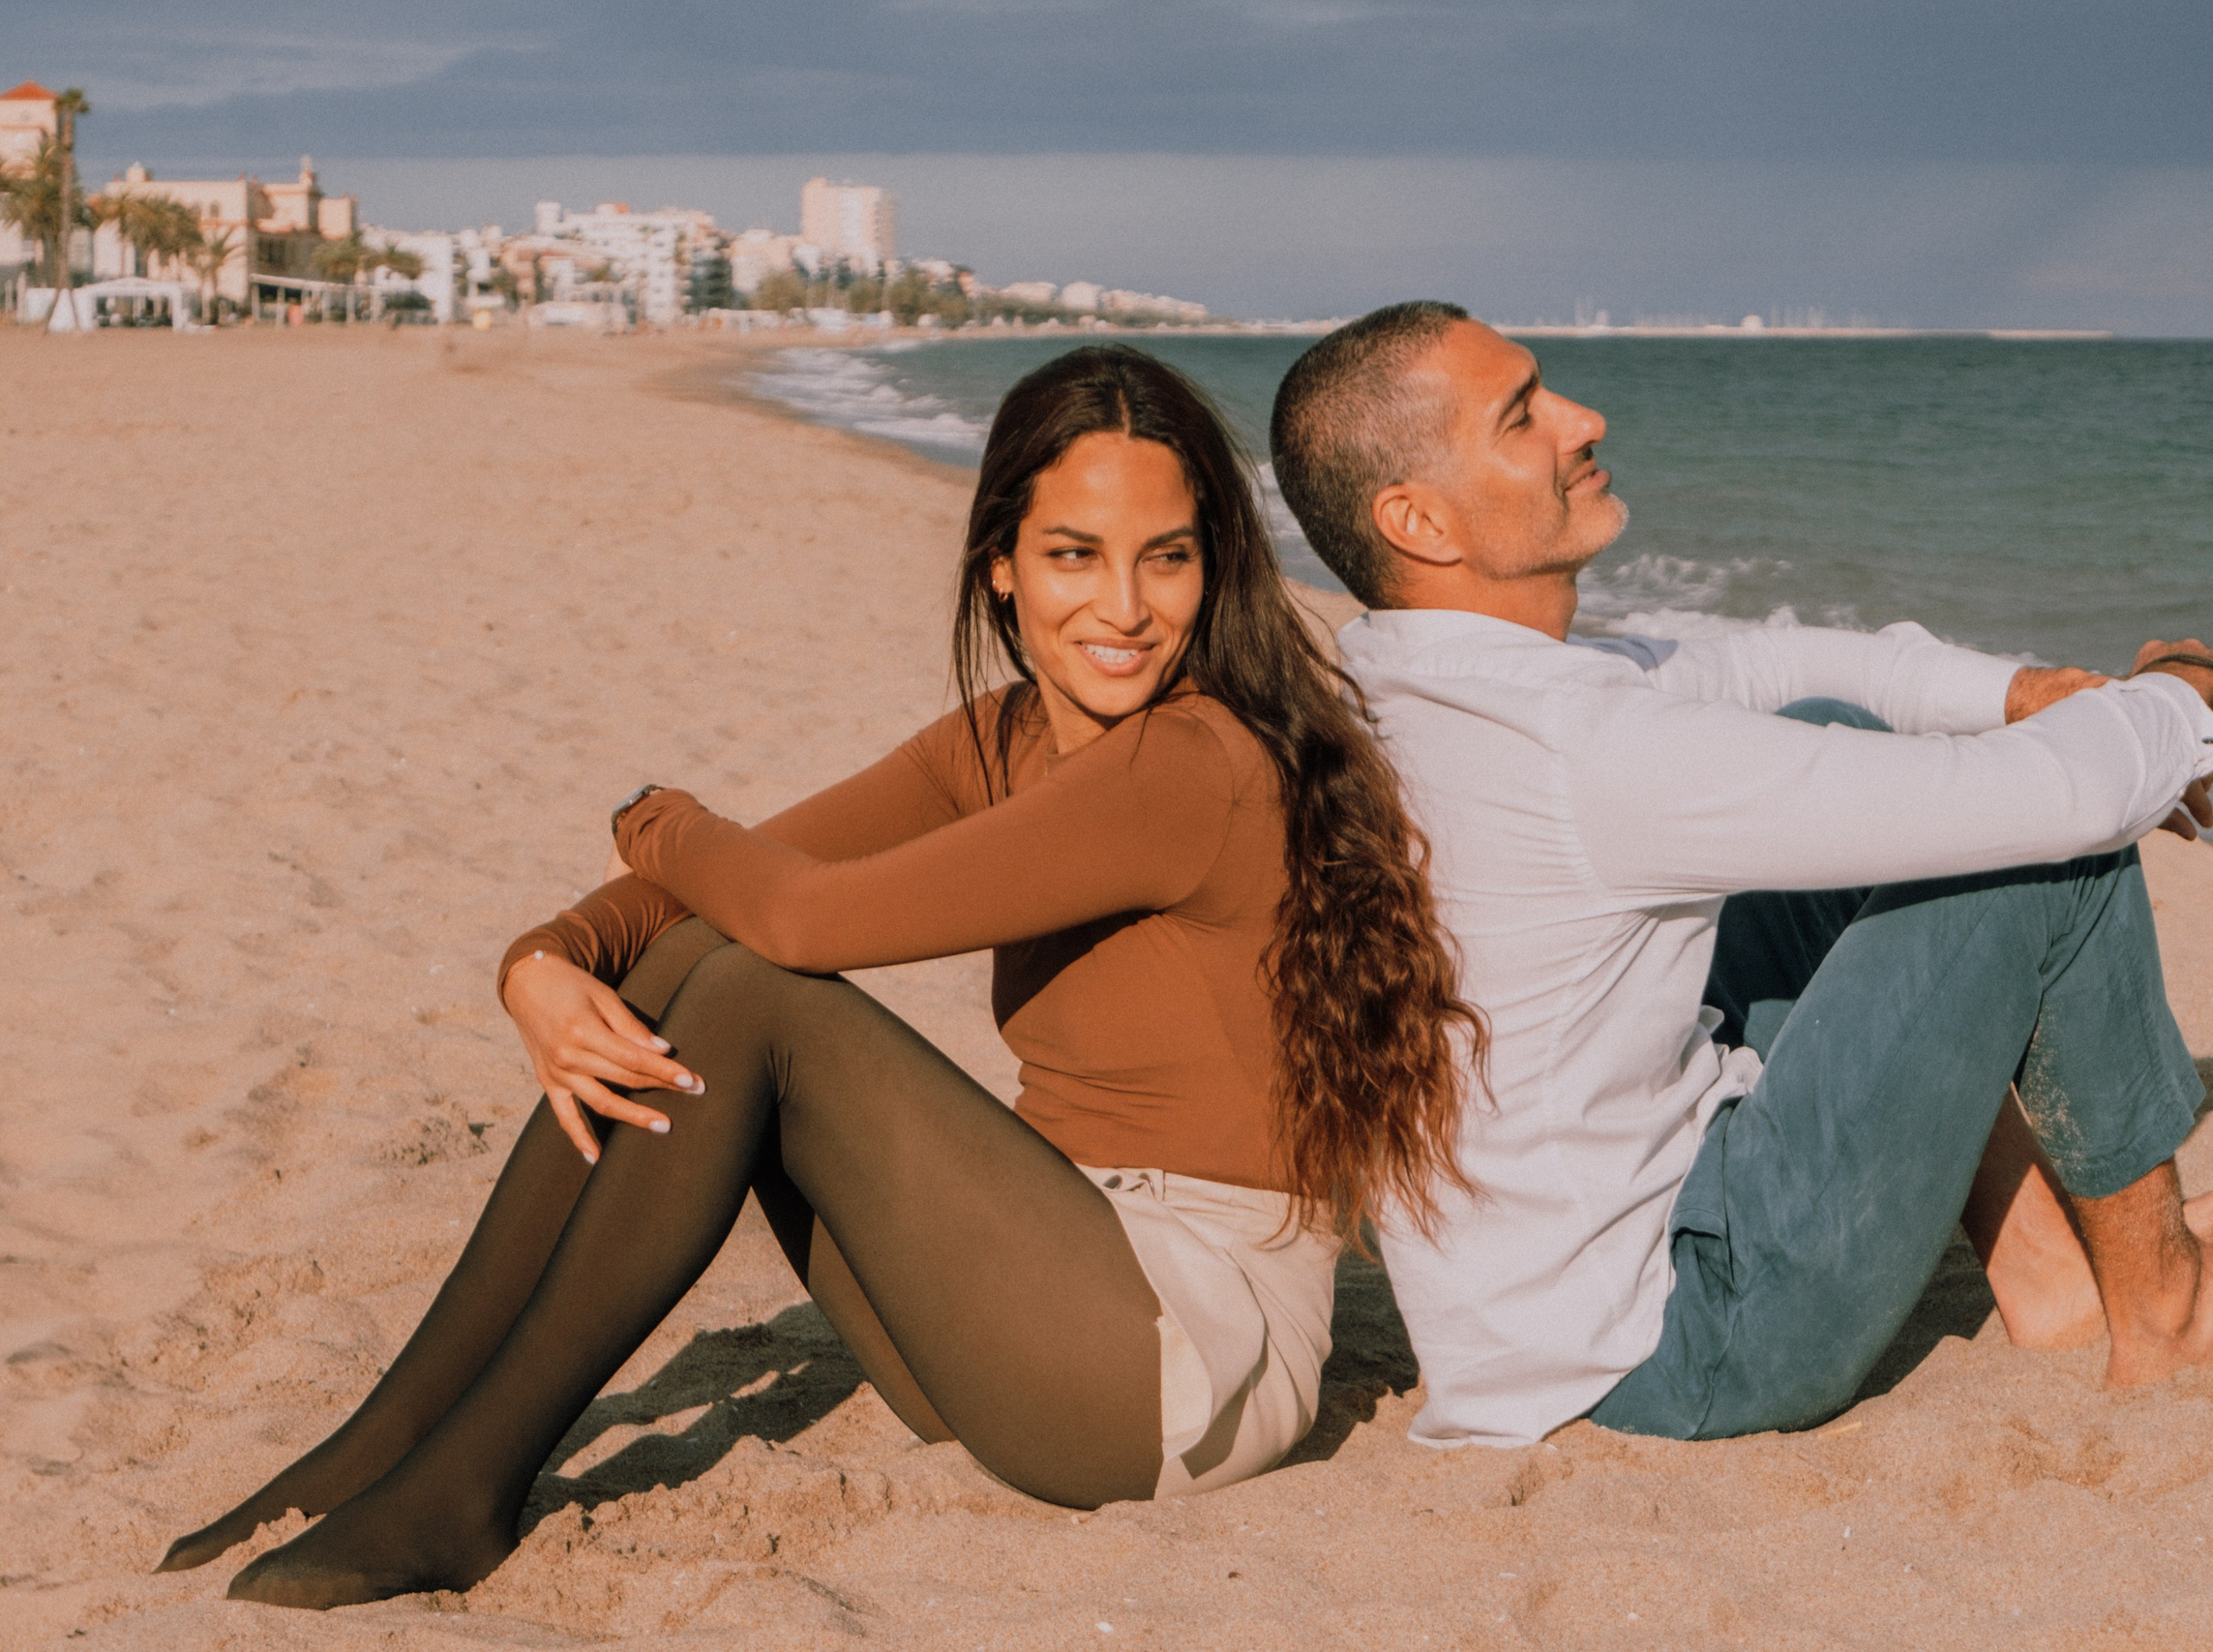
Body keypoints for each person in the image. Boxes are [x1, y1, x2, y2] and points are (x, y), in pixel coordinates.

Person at [161, 345, 1481, 1607]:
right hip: (1016, 1317)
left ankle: (459, 1480)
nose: (1124, 606)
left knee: (757, 986)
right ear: (1004, 567)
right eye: (1074, 554)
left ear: (1217, 569)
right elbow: (710, 898)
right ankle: (387, 1440)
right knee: (695, 958)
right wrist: (543, 962)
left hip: (1182, 1358)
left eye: (1168, 558)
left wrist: (651, 810)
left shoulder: (1194, 764)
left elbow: (800, 916)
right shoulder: (1004, 734)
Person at [1268, 301, 2213, 1449]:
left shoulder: (1413, 685)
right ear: (1418, 520)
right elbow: (2064, 803)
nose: (1583, 420)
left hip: (1562, 1302)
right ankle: (2168, 1303)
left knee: (1832, 723)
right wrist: (2179, 694)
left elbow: (1768, 666)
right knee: (2049, 854)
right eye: (1522, 415)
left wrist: (2020, 692)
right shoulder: (1577, 752)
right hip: (1688, 1343)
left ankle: (2046, 1272)